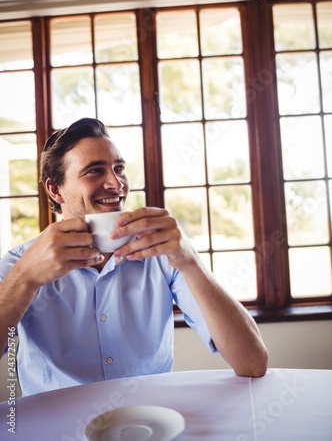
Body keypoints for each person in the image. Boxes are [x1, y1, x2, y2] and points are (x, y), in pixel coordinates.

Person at [0, 118, 268, 396]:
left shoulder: (162, 254)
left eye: (119, 169)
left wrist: (190, 260)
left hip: (148, 425)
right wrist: (26, 278)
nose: (116, 183)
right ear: (55, 190)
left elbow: (252, 362)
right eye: (94, 171)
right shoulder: (20, 263)